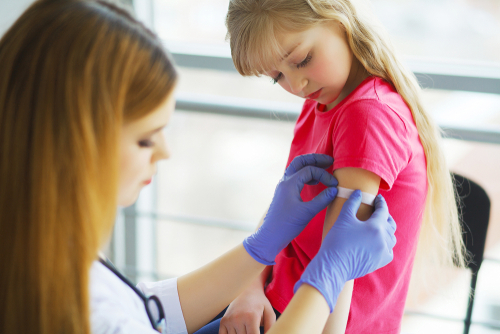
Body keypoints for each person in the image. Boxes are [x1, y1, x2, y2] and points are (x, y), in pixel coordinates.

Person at [0, 1, 397, 334]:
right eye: (144, 138)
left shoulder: (41, 252)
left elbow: (147, 308)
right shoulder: (85, 311)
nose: (164, 152)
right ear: (68, 140)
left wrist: (258, 252)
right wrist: (328, 275)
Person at [197, 1, 468, 334]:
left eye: (302, 60)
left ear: (338, 20)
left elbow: (339, 272)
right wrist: (249, 288)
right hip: (274, 304)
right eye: (278, 77)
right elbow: (280, 218)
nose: (296, 86)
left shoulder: (367, 116)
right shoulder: (323, 100)